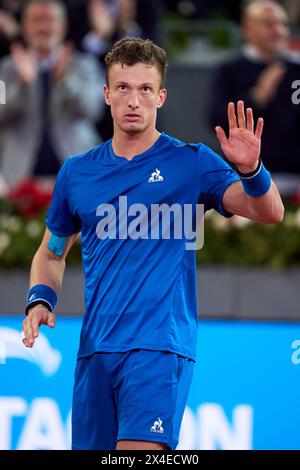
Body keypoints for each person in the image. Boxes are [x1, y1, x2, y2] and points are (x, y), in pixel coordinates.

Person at [22, 37, 284, 450]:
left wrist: (252, 170)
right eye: (123, 88)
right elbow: (52, 252)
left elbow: (269, 212)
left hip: (158, 348)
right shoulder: (77, 173)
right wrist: (40, 300)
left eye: (145, 89)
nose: (133, 100)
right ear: (106, 94)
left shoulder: (192, 162)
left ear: (161, 96)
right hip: (95, 351)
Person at [0, 0, 104, 187]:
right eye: (37, 20)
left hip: (78, 175)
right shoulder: (7, 68)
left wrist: (66, 82)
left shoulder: (85, 65)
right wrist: (23, 85)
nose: (43, 26)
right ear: (23, 28)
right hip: (20, 178)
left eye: (50, 19)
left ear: (63, 27)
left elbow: (93, 111)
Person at [210, 0, 300, 196]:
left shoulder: (296, 69)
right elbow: (215, 119)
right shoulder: (231, 69)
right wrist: (256, 96)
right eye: (269, 24)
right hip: (247, 179)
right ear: (248, 30)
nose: (278, 30)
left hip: (295, 179)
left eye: (282, 24)